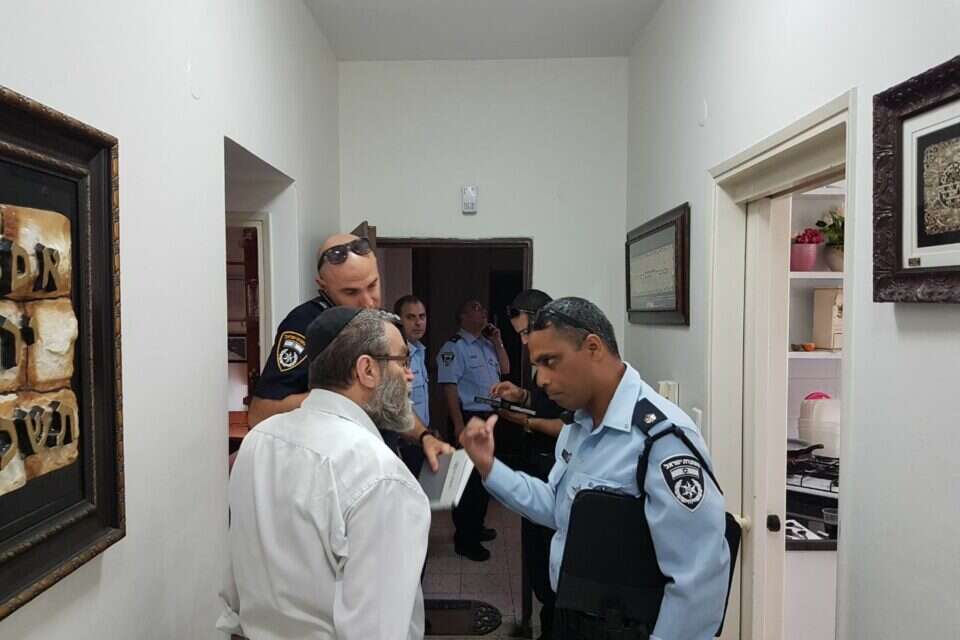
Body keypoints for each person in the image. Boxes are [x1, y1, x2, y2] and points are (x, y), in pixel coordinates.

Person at [460, 297, 730, 640]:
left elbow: (698, 581)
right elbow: (557, 507)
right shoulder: (577, 425)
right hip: (574, 617)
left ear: (593, 347)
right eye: (537, 365)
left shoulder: (659, 439)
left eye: (550, 362)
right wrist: (489, 466)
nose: (540, 380)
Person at [218, 307, 431, 639]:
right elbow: (374, 632)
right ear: (367, 370)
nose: (410, 375)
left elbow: (235, 588)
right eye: (402, 361)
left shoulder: (259, 441)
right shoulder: (381, 476)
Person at [247, 232, 452, 471]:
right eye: (351, 292)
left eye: (372, 285)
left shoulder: (380, 322)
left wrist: (424, 436)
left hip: (379, 462)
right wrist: (343, 397)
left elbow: (389, 402)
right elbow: (259, 414)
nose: (368, 302)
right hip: (331, 469)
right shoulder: (305, 324)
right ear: (323, 286)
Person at [489, 289, 564, 640]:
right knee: (535, 551)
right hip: (536, 462)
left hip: (555, 468)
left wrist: (525, 422)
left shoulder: (564, 362)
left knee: (551, 559)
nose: (521, 341)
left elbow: (568, 425)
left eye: (524, 332)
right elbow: (546, 402)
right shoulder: (541, 364)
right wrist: (520, 395)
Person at [436, 299, 510, 561]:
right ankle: (464, 539)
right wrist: (458, 424)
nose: (483, 312)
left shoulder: (487, 345)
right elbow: (449, 388)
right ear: (463, 317)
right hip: (467, 418)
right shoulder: (453, 348)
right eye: (475, 309)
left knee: (483, 478)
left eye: (483, 309)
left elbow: (506, 369)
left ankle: (476, 527)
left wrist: (498, 341)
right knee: (466, 482)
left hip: (490, 418)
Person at [394, 294, 430, 476]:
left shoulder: (419, 351)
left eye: (422, 317)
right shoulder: (396, 355)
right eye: (411, 317)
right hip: (404, 442)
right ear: (399, 321)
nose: (418, 323)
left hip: (421, 439)